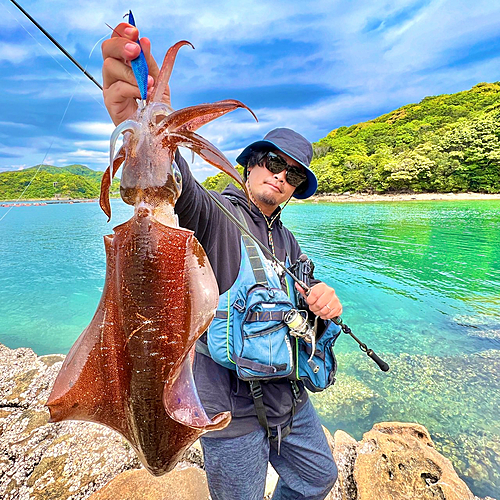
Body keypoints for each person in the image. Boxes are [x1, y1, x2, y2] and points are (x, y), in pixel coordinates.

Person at [102, 24, 343, 500]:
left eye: (293, 174)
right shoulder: (215, 215)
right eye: (273, 163)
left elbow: (307, 306)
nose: (281, 176)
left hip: (289, 399)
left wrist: (325, 302)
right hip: (228, 411)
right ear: (251, 163)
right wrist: (139, 122)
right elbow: (176, 185)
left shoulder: (290, 243)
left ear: (297, 188)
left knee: (319, 479)